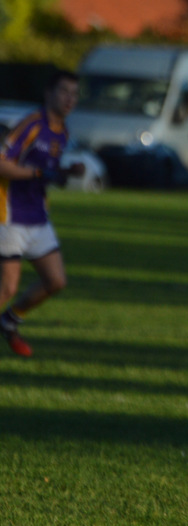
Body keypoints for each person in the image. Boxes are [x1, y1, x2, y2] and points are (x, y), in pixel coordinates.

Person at [0, 69, 85, 357]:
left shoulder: (63, 133)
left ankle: (9, 321)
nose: (69, 99)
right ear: (48, 93)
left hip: (37, 217)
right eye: (64, 92)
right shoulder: (31, 125)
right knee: (7, 288)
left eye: (74, 94)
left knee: (56, 281)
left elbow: (43, 175)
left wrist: (64, 173)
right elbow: (2, 164)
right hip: (9, 215)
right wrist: (38, 171)